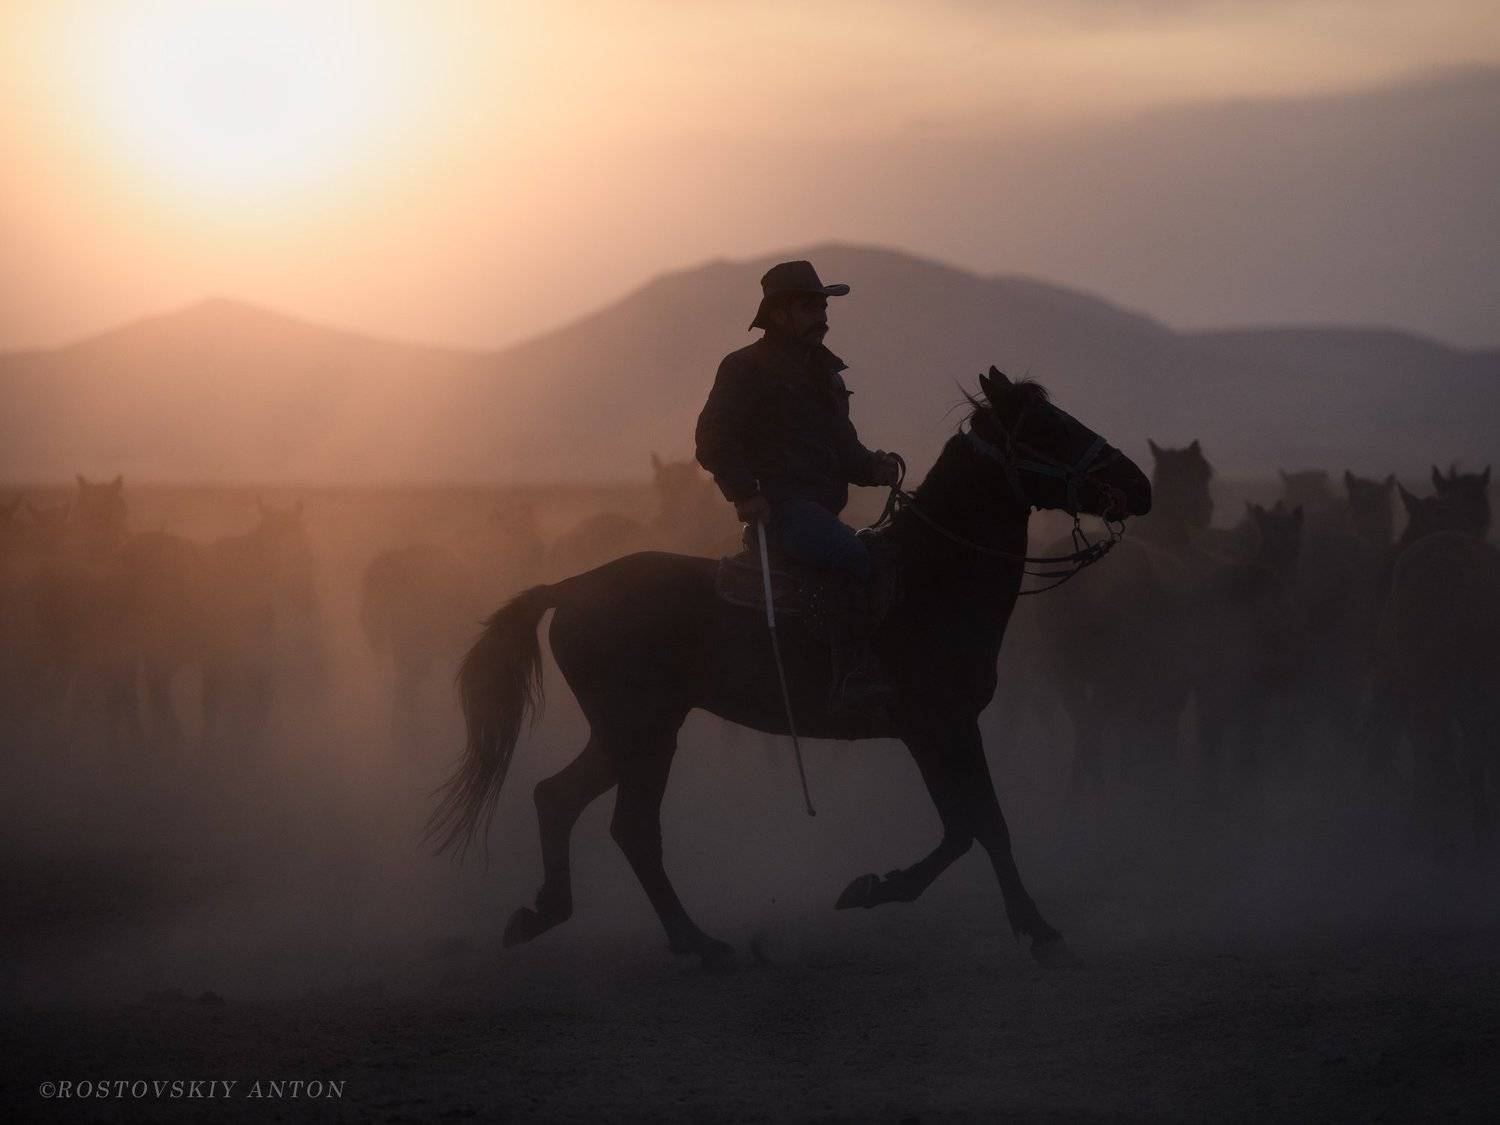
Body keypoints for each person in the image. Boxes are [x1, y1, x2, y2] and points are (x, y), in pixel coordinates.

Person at [695, 259, 902, 715]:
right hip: (783, 508)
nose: (822, 317)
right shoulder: (745, 368)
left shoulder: (826, 375)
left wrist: (875, 467)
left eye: (823, 307)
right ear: (778, 314)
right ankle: (850, 677)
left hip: (820, 511)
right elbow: (713, 437)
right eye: (810, 307)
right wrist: (744, 493)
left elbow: (845, 452)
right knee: (851, 556)